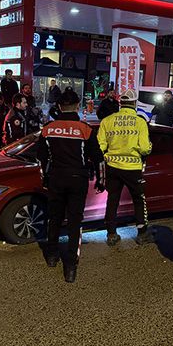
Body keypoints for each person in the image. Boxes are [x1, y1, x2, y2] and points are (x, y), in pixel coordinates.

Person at [37, 88, 105, 283]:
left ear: (59, 106)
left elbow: (41, 158)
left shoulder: (48, 128)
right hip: (78, 180)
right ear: (77, 106)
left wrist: (45, 178)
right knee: (75, 221)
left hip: (56, 178)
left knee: (55, 217)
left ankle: (51, 255)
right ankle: (71, 267)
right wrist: (101, 181)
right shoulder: (85, 129)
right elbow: (98, 158)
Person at [98, 89, 153, 246]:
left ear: (120, 103)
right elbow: (144, 148)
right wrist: (149, 146)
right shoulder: (140, 121)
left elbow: (101, 146)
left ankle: (111, 233)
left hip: (112, 167)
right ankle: (142, 233)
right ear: (135, 103)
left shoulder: (107, 121)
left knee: (112, 199)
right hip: (132, 168)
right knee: (138, 199)